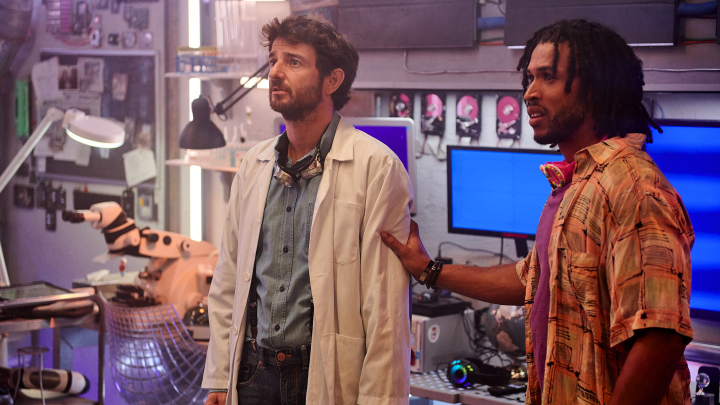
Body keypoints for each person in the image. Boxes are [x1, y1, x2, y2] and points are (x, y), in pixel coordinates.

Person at [381, 19, 693, 405]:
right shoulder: (575, 184)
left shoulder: (634, 187)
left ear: (596, 87)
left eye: (548, 77)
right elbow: (533, 278)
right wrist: (428, 270)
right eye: (529, 78)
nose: (529, 92)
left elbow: (660, 337)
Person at [203, 15, 414, 405]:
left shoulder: (377, 167)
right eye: (273, 60)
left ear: (332, 80)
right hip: (251, 374)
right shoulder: (254, 165)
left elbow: (385, 310)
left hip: (323, 375)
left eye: (293, 61)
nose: (275, 72)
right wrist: (219, 378)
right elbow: (229, 277)